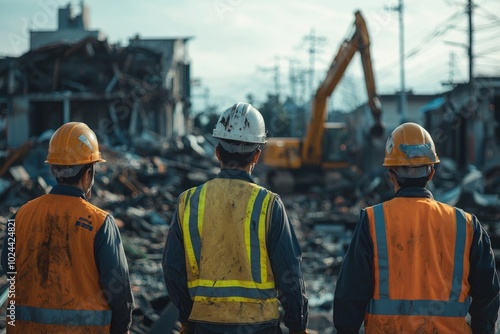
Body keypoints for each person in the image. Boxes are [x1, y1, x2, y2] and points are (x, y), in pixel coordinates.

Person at [333, 122, 500, 333]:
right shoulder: (466, 224)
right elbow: (488, 292)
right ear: (431, 174)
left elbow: (350, 295)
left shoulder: (372, 220)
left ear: (391, 175)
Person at [162, 102, 309, 334]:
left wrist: (187, 318)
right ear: (257, 156)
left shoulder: (188, 201)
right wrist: (297, 325)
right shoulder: (269, 204)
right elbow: (290, 273)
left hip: (204, 325)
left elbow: (172, 268)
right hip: (260, 327)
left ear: (217, 151)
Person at [1, 122, 134, 334]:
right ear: (88, 172)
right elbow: (118, 290)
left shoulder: (19, 217)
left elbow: (10, 269)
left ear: (53, 168)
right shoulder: (100, 222)